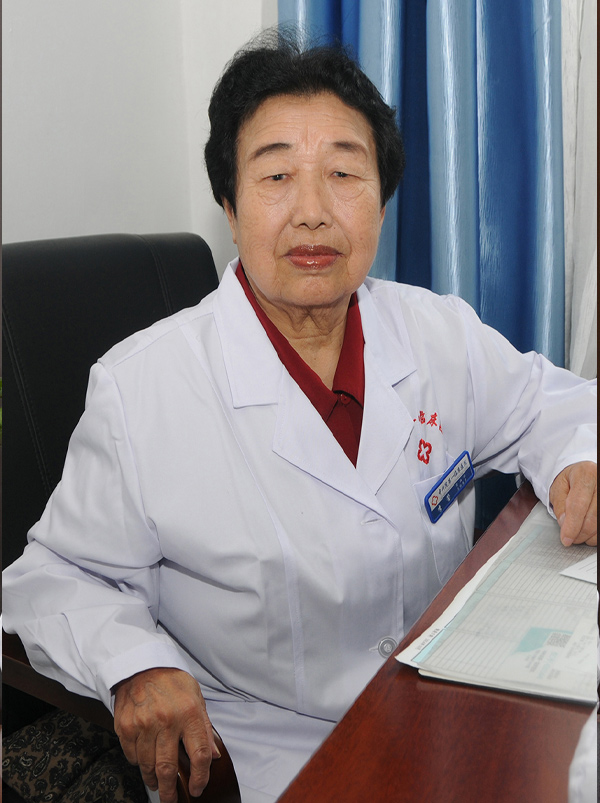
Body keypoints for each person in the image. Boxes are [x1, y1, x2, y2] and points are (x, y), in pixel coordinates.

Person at [3, 32, 597, 803]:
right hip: (270, 751)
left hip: (445, 700)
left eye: (344, 174)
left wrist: (576, 456)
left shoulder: (437, 332)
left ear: (381, 200)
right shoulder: (143, 388)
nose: (312, 212)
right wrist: (134, 666)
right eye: (277, 175)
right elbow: (51, 577)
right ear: (229, 205)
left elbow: (555, 404)